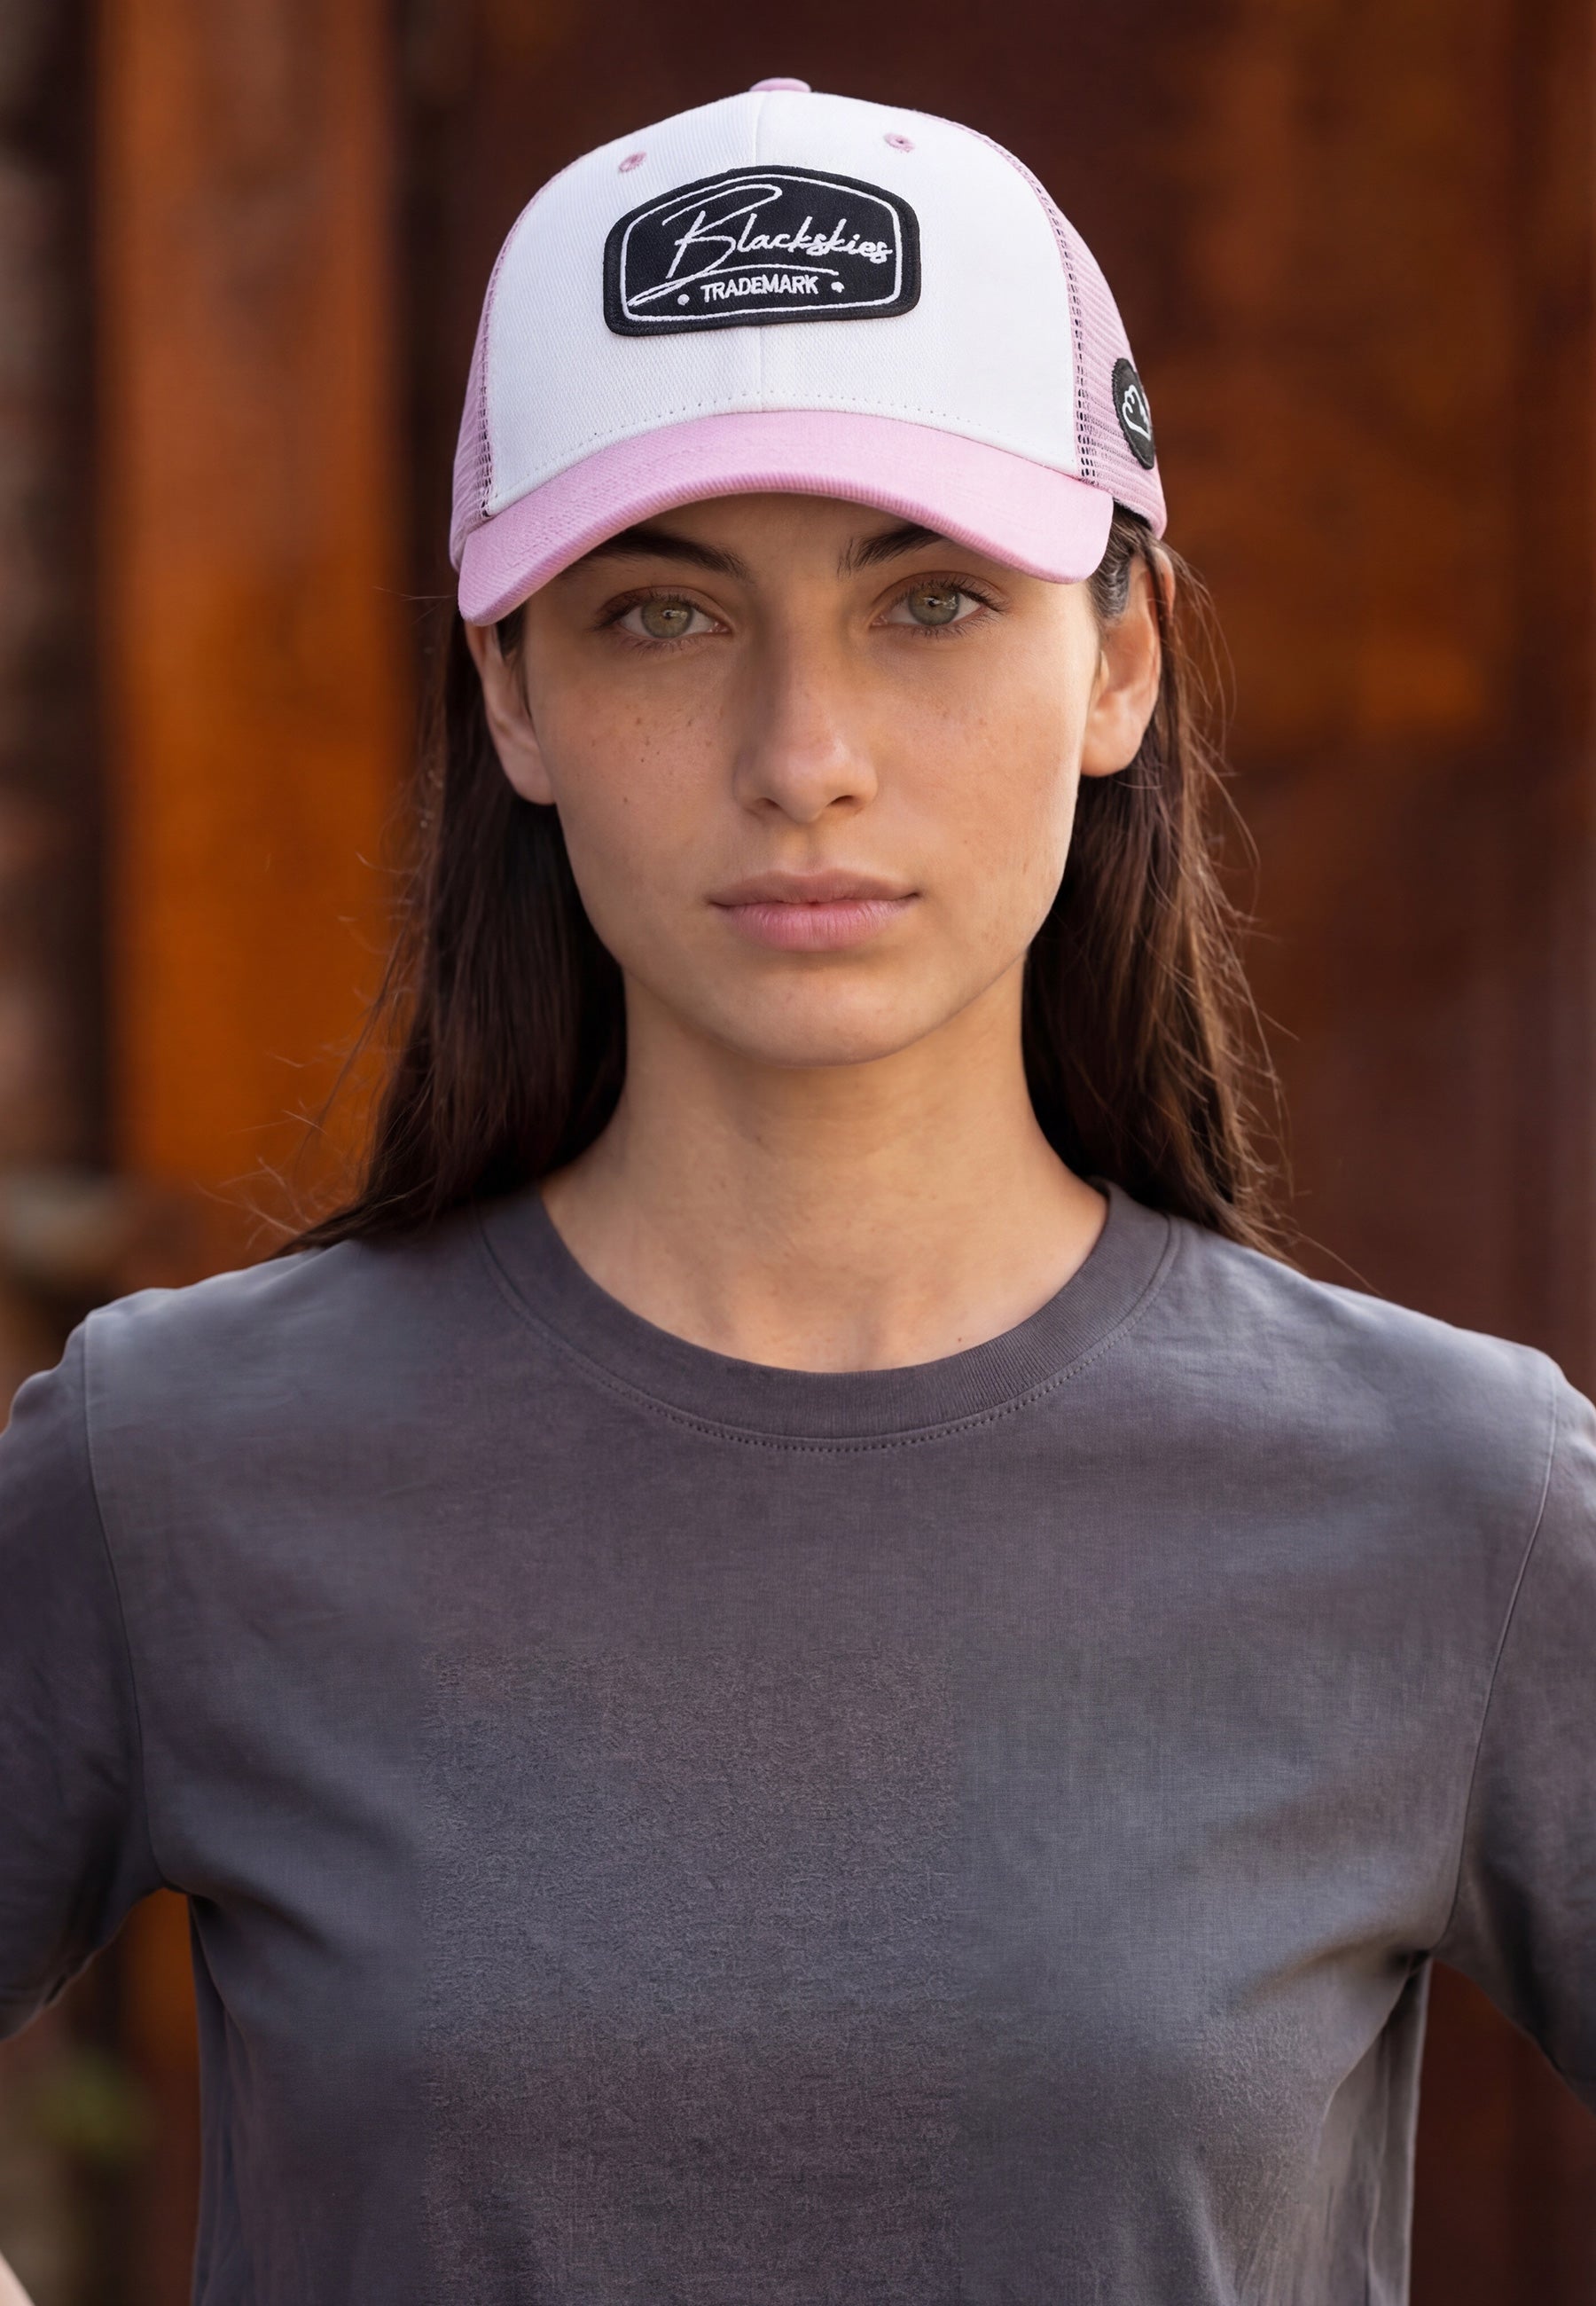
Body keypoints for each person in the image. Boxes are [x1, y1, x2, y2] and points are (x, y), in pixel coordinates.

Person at [1, 79, 1592, 2306]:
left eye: (929, 601)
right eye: (664, 617)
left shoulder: (1458, 1500)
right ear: (512, 691)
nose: (804, 751)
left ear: (1118, 658)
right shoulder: (178, 1469)